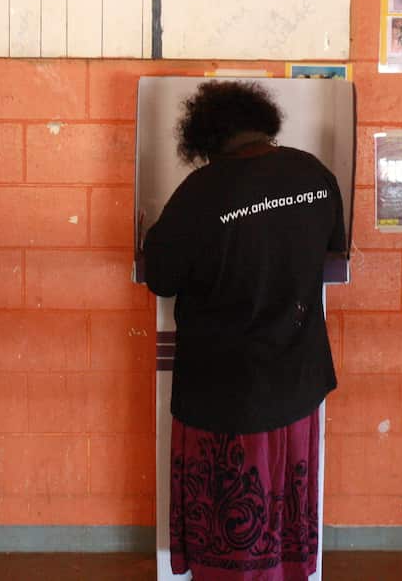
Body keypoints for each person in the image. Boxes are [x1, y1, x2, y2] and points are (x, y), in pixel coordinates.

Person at [143, 80, 347, 581]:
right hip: (297, 383)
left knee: (233, 519)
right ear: (263, 124)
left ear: (206, 139)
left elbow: (161, 277)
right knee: (285, 509)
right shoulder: (314, 174)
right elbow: (331, 250)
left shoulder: (202, 190)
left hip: (226, 391)